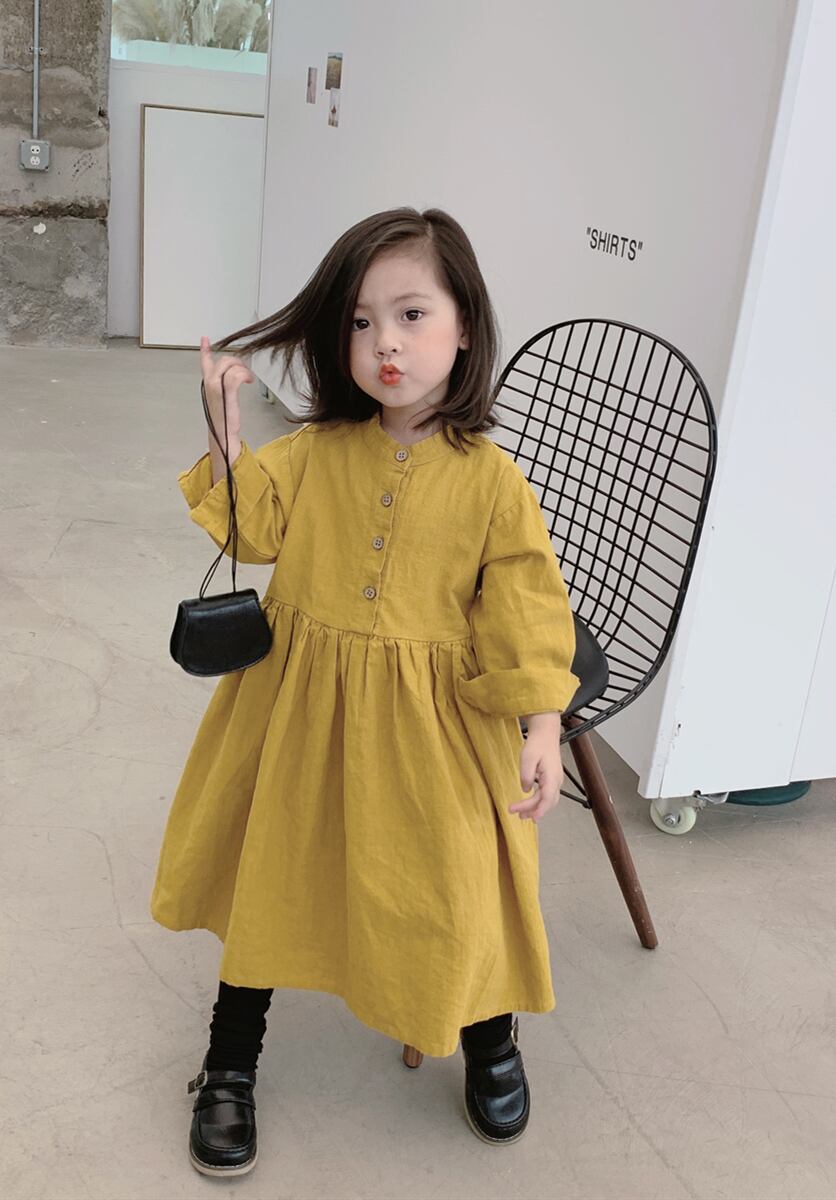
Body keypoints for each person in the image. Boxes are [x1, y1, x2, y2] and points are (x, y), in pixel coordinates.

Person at [151, 207, 581, 1177]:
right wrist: (224, 427)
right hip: (302, 716)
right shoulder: (316, 453)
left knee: (459, 884)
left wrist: (541, 720)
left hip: (437, 731)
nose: (384, 342)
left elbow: (525, 604)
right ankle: (230, 1061)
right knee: (272, 876)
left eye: (411, 315)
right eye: (359, 321)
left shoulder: (492, 481)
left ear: (464, 327)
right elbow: (252, 528)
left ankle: (490, 1036)